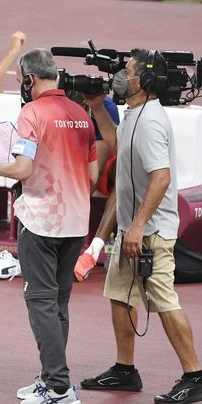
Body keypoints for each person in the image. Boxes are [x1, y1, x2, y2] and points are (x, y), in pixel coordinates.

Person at [79, 49, 202, 404]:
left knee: (164, 301)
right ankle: (125, 370)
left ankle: (195, 376)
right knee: (120, 296)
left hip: (150, 231)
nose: (121, 76)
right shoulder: (134, 114)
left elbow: (161, 177)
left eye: (127, 71)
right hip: (131, 228)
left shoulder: (152, 121)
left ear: (146, 81)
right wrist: (97, 107)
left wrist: (139, 226)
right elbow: (118, 145)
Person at [0, 49, 98, 404]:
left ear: (30, 79)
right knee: (58, 302)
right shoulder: (81, 114)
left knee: (41, 304)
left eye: (20, 80)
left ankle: (60, 389)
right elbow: (92, 177)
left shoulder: (31, 113)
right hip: (77, 222)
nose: (21, 87)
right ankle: (50, 377)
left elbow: (23, 168)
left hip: (42, 222)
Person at [74, 95, 120, 281]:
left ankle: (92, 251)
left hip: (104, 169)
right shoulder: (55, 107)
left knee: (124, 175)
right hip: (71, 161)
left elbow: (95, 173)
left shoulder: (104, 106)